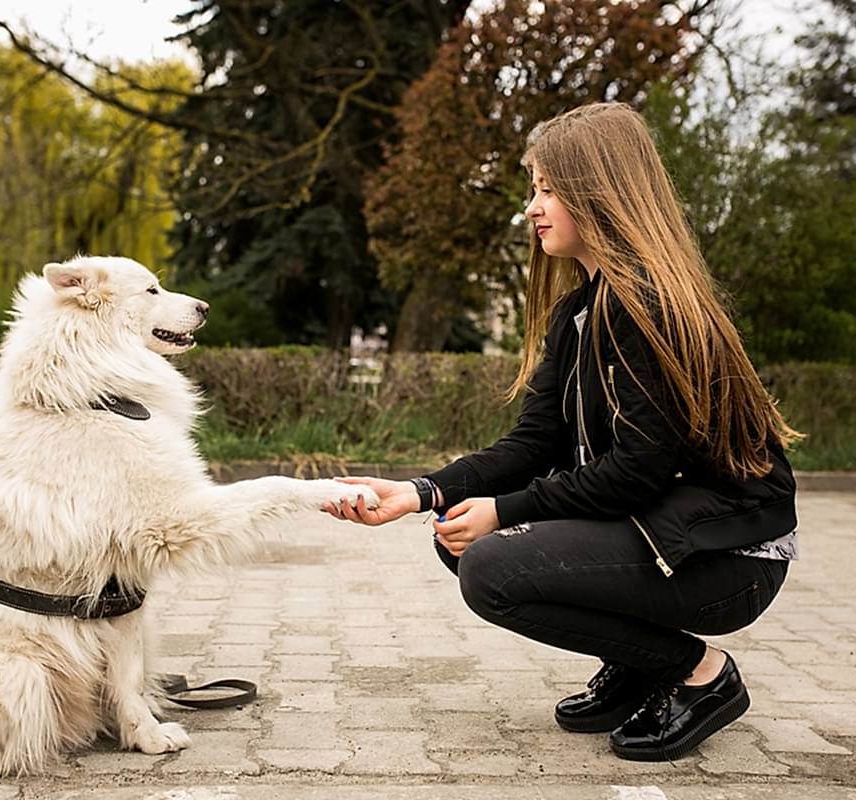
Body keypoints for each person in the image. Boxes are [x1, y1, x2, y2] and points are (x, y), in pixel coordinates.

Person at [323, 102, 800, 762]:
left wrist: (504, 513)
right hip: (669, 533)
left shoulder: (647, 304)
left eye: (547, 189)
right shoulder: (580, 309)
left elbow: (637, 472)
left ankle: (697, 673)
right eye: (533, 189)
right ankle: (638, 666)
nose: (532, 207)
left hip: (731, 557)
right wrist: (422, 491)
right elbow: (533, 444)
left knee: (489, 563)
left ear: (597, 192)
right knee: (461, 536)